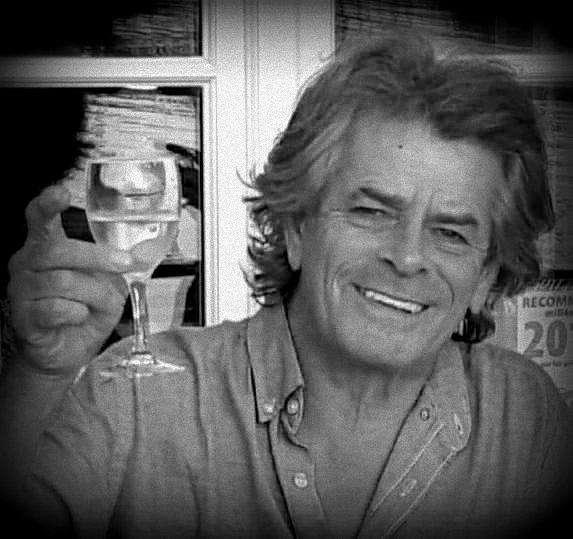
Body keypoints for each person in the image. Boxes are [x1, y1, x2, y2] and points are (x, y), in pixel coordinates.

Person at [1, 30, 572, 538]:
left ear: (486, 275)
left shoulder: (521, 414)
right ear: (297, 225)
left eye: (450, 233)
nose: (406, 257)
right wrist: (40, 375)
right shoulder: (136, 399)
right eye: (372, 211)